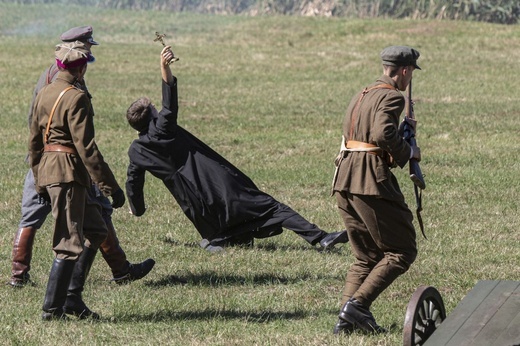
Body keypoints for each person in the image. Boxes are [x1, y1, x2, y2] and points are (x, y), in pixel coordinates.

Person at [125, 46, 348, 253]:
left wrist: (137, 208)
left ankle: (223, 241)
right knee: (272, 208)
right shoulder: (163, 128)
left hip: (193, 202)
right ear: (153, 116)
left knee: (223, 230)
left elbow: (134, 181)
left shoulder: (137, 151)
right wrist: (165, 67)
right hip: (215, 181)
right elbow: (169, 103)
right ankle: (321, 237)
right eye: (154, 108)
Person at [9, 26, 154, 289]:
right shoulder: (64, 80)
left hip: (43, 158)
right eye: (86, 48)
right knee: (98, 211)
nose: (89, 55)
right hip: (65, 163)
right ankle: (111, 274)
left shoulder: (56, 73)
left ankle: (19, 275)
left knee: (34, 214)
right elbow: (79, 140)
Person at [28, 41, 125, 320]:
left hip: (52, 171)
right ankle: (51, 310)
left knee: (95, 230)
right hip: (69, 174)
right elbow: (87, 149)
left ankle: (72, 297)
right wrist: (111, 188)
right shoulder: (76, 97)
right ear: (81, 68)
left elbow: (34, 142)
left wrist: (39, 180)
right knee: (69, 242)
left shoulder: (44, 92)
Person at [330, 46, 421, 334]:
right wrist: (407, 152)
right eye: (410, 73)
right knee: (401, 250)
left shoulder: (363, 93)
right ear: (405, 71)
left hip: (344, 178)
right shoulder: (393, 96)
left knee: (366, 256)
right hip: (369, 181)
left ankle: (346, 321)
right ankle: (357, 307)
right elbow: (383, 133)